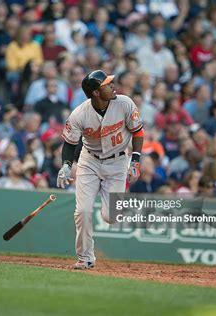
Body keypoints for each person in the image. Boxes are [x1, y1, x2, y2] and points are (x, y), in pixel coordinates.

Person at [57, 70, 144, 269]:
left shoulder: (125, 103)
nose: (112, 86)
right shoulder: (80, 113)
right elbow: (70, 143)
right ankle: (86, 258)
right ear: (96, 92)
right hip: (90, 161)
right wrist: (66, 165)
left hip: (118, 161)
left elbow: (138, 131)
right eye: (107, 84)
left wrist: (136, 160)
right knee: (83, 211)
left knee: (110, 216)